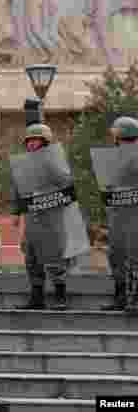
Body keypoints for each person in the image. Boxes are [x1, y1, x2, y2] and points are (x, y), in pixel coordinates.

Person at [11, 123, 84, 311]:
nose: (30, 144)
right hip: (32, 216)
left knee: (54, 255)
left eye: (34, 140)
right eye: (28, 140)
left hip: (51, 216)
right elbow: (18, 189)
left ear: (44, 141)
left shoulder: (54, 160)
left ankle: (60, 296)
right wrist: (16, 212)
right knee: (31, 256)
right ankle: (36, 297)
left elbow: (67, 184)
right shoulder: (24, 162)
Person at [102, 116, 138, 312]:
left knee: (133, 256)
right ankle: (120, 296)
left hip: (134, 213)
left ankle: (133, 298)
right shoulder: (113, 157)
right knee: (116, 255)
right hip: (117, 213)